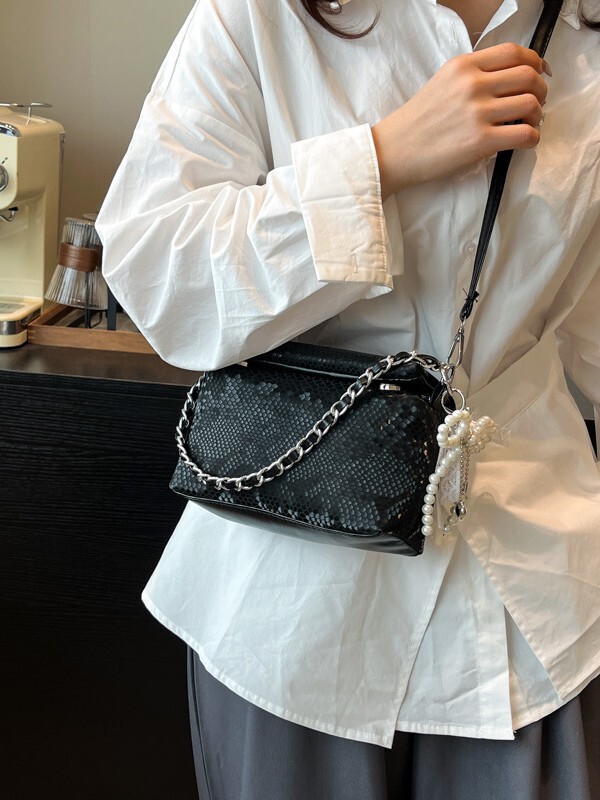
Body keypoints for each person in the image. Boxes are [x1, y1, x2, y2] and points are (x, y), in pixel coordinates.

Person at [96, 0, 600, 797]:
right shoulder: (259, 15)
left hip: (535, 603)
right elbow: (162, 279)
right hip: (290, 604)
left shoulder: (585, 39)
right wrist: (380, 160)